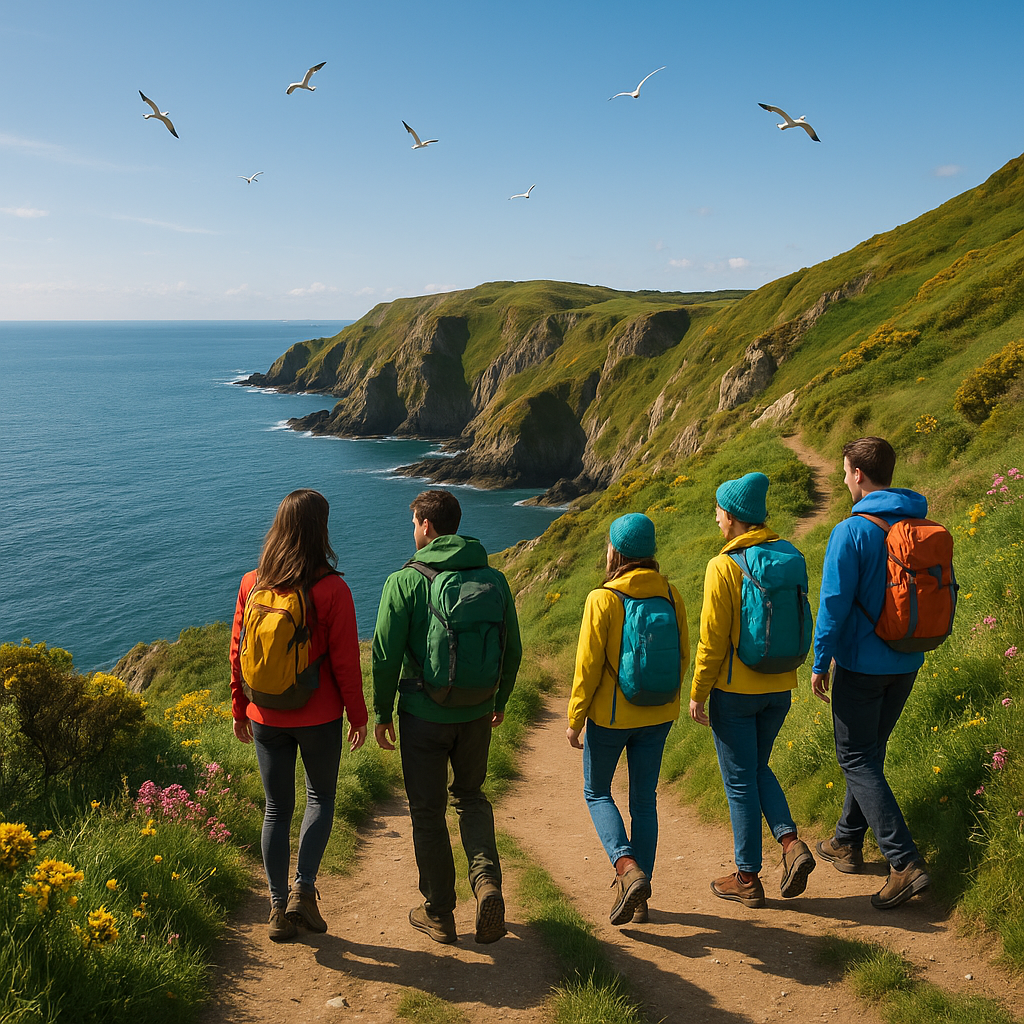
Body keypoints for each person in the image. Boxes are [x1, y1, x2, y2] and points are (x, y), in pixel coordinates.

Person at [372, 489, 522, 945]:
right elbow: (512, 649)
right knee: (472, 798)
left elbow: (384, 654)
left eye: (413, 521)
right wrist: (499, 702)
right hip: (477, 713)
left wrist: (381, 712)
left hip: (422, 714)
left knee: (428, 811)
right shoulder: (494, 578)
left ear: (426, 526)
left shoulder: (405, 581)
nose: (412, 529)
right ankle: (486, 884)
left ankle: (439, 911)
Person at [229, 489, 367, 942]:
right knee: (320, 800)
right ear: (319, 531)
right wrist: (359, 716)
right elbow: (346, 661)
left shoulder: (252, 583)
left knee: (275, 808)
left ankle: (274, 906)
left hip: (265, 713)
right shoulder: (332, 589)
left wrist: (239, 707)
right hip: (318, 715)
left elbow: (237, 653)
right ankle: (302, 892)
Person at [811, 437, 931, 909]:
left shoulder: (852, 531)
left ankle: (904, 862)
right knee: (869, 755)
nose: (843, 480)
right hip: (908, 660)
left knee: (856, 759)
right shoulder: (918, 523)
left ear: (859, 474)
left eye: (844, 472)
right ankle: (846, 842)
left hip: (861, 666)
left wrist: (820, 662)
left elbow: (833, 606)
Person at [689, 472, 815, 909]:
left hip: (735, 692)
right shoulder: (791, 555)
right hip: (780, 686)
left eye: (719, 509)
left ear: (735, 516)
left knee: (740, 780)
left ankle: (746, 877)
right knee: (758, 768)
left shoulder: (724, 565)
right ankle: (791, 843)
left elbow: (712, 639)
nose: (716, 516)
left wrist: (698, 693)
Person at [566, 513, 689, 926]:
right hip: (659, 715)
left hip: (612, 717)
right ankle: (641, 896)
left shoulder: (603, 598)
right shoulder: (671, 595)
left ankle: (625, 868)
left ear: (615, 551)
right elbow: (683, 656)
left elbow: (587, 666)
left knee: (597, 792)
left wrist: (575, 718)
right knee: (644, 802)